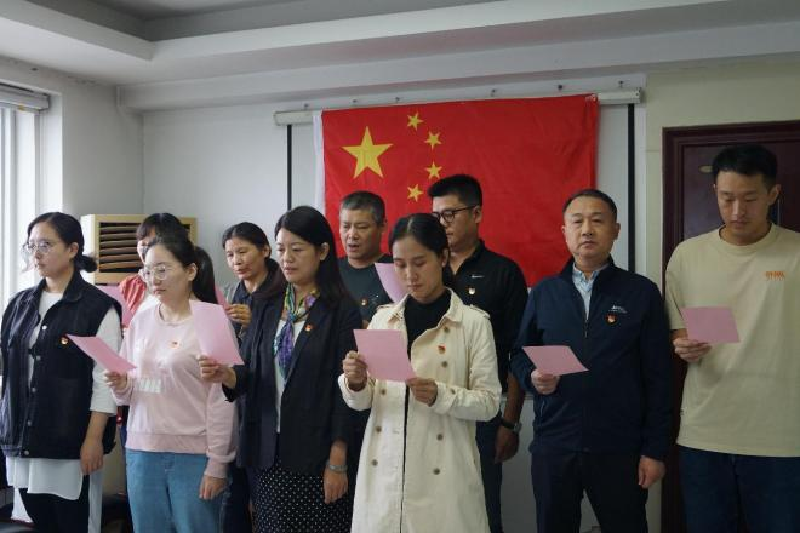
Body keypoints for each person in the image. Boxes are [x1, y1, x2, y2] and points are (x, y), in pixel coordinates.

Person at [510, 189, 671, 533]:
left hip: (619, 447)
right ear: (564, 231)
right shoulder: (544, 293)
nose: (587, 230)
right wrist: (532, 377)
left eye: (598, 221)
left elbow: (659, 377)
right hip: (555, 443)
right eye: (577, 221)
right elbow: (520, 355)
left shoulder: (640, 293)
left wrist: (654, 450)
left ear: (616, 230)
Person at [664, 144, 800, 532]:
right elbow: (679, 331)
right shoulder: (687, 256)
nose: (737, 210)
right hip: (705, 432)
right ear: (715, 193)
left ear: (773, 194)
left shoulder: (795, 252)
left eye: (750, 198)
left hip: (781, 436)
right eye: (727, 198)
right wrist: (683, 345)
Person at [200, 206, 361, 533]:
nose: (286, 258)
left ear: (322, 251)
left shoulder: (341, 310)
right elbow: (248, 370)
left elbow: (345, 392)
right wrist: (226, 375)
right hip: (265, 452)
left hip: (316, 455)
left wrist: (337, 458)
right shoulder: (266, 303)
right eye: (282, 249)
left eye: (297, 249)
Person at [340, 212, 501, 533]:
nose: (409, 275)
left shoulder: (472, 323)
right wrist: (354, 381)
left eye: (419, 263)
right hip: (385, 470)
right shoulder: (383, 319)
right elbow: (364, 400)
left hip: (444, 474)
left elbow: (489, 403)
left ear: (442, 257)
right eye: (400, 265)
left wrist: (442, 395)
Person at [105, 235, 235, 533]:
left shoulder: (212, 321)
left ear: (190, 271)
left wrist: (218, 463)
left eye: (162, 270)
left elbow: (223, 399)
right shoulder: (141, 320)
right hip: (141, 450)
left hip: (195, 455)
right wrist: (120, 384)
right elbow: (131, 393)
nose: (154, 279)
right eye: (148, 271)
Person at [0, 212, 121, 533]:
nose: (36, 253)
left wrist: (93, 439)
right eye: (31, 246)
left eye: (46, 245)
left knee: (71, 522)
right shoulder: (19, 304)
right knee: (40, 521)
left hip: (68, 438)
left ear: (72, 249)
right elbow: (8, 367)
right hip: (22, 436)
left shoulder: (98, 307)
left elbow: (104, 380)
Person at [428, 174, 528, 533]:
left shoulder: (503, 273)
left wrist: (509, 422)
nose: (442, 223)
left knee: (481, 511)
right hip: (429, 407)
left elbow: (518, 353)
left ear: (477, 214)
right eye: (436, 216)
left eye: (450, 214)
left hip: (482, 412)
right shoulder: (425, 269)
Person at [219, 222, 285, 532]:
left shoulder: (284, 288)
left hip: (269, 398)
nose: (237, 261)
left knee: (266, 499)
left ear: (265, 250)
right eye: (230, 255)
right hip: (237, 394)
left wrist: (256, 320)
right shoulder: (233, 291)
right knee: (233, 495)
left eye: (243, 252)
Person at [337, 191, 393, 326]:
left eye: (362, 227)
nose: (352, 235)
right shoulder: (328, 270)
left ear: (382, 226)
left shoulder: (396, 271)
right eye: (346, 226)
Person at [119, 212, 189, 315]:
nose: (144, 250)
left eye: (151, 244)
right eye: (142, 243)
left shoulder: (187, 287)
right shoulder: (130, 285)